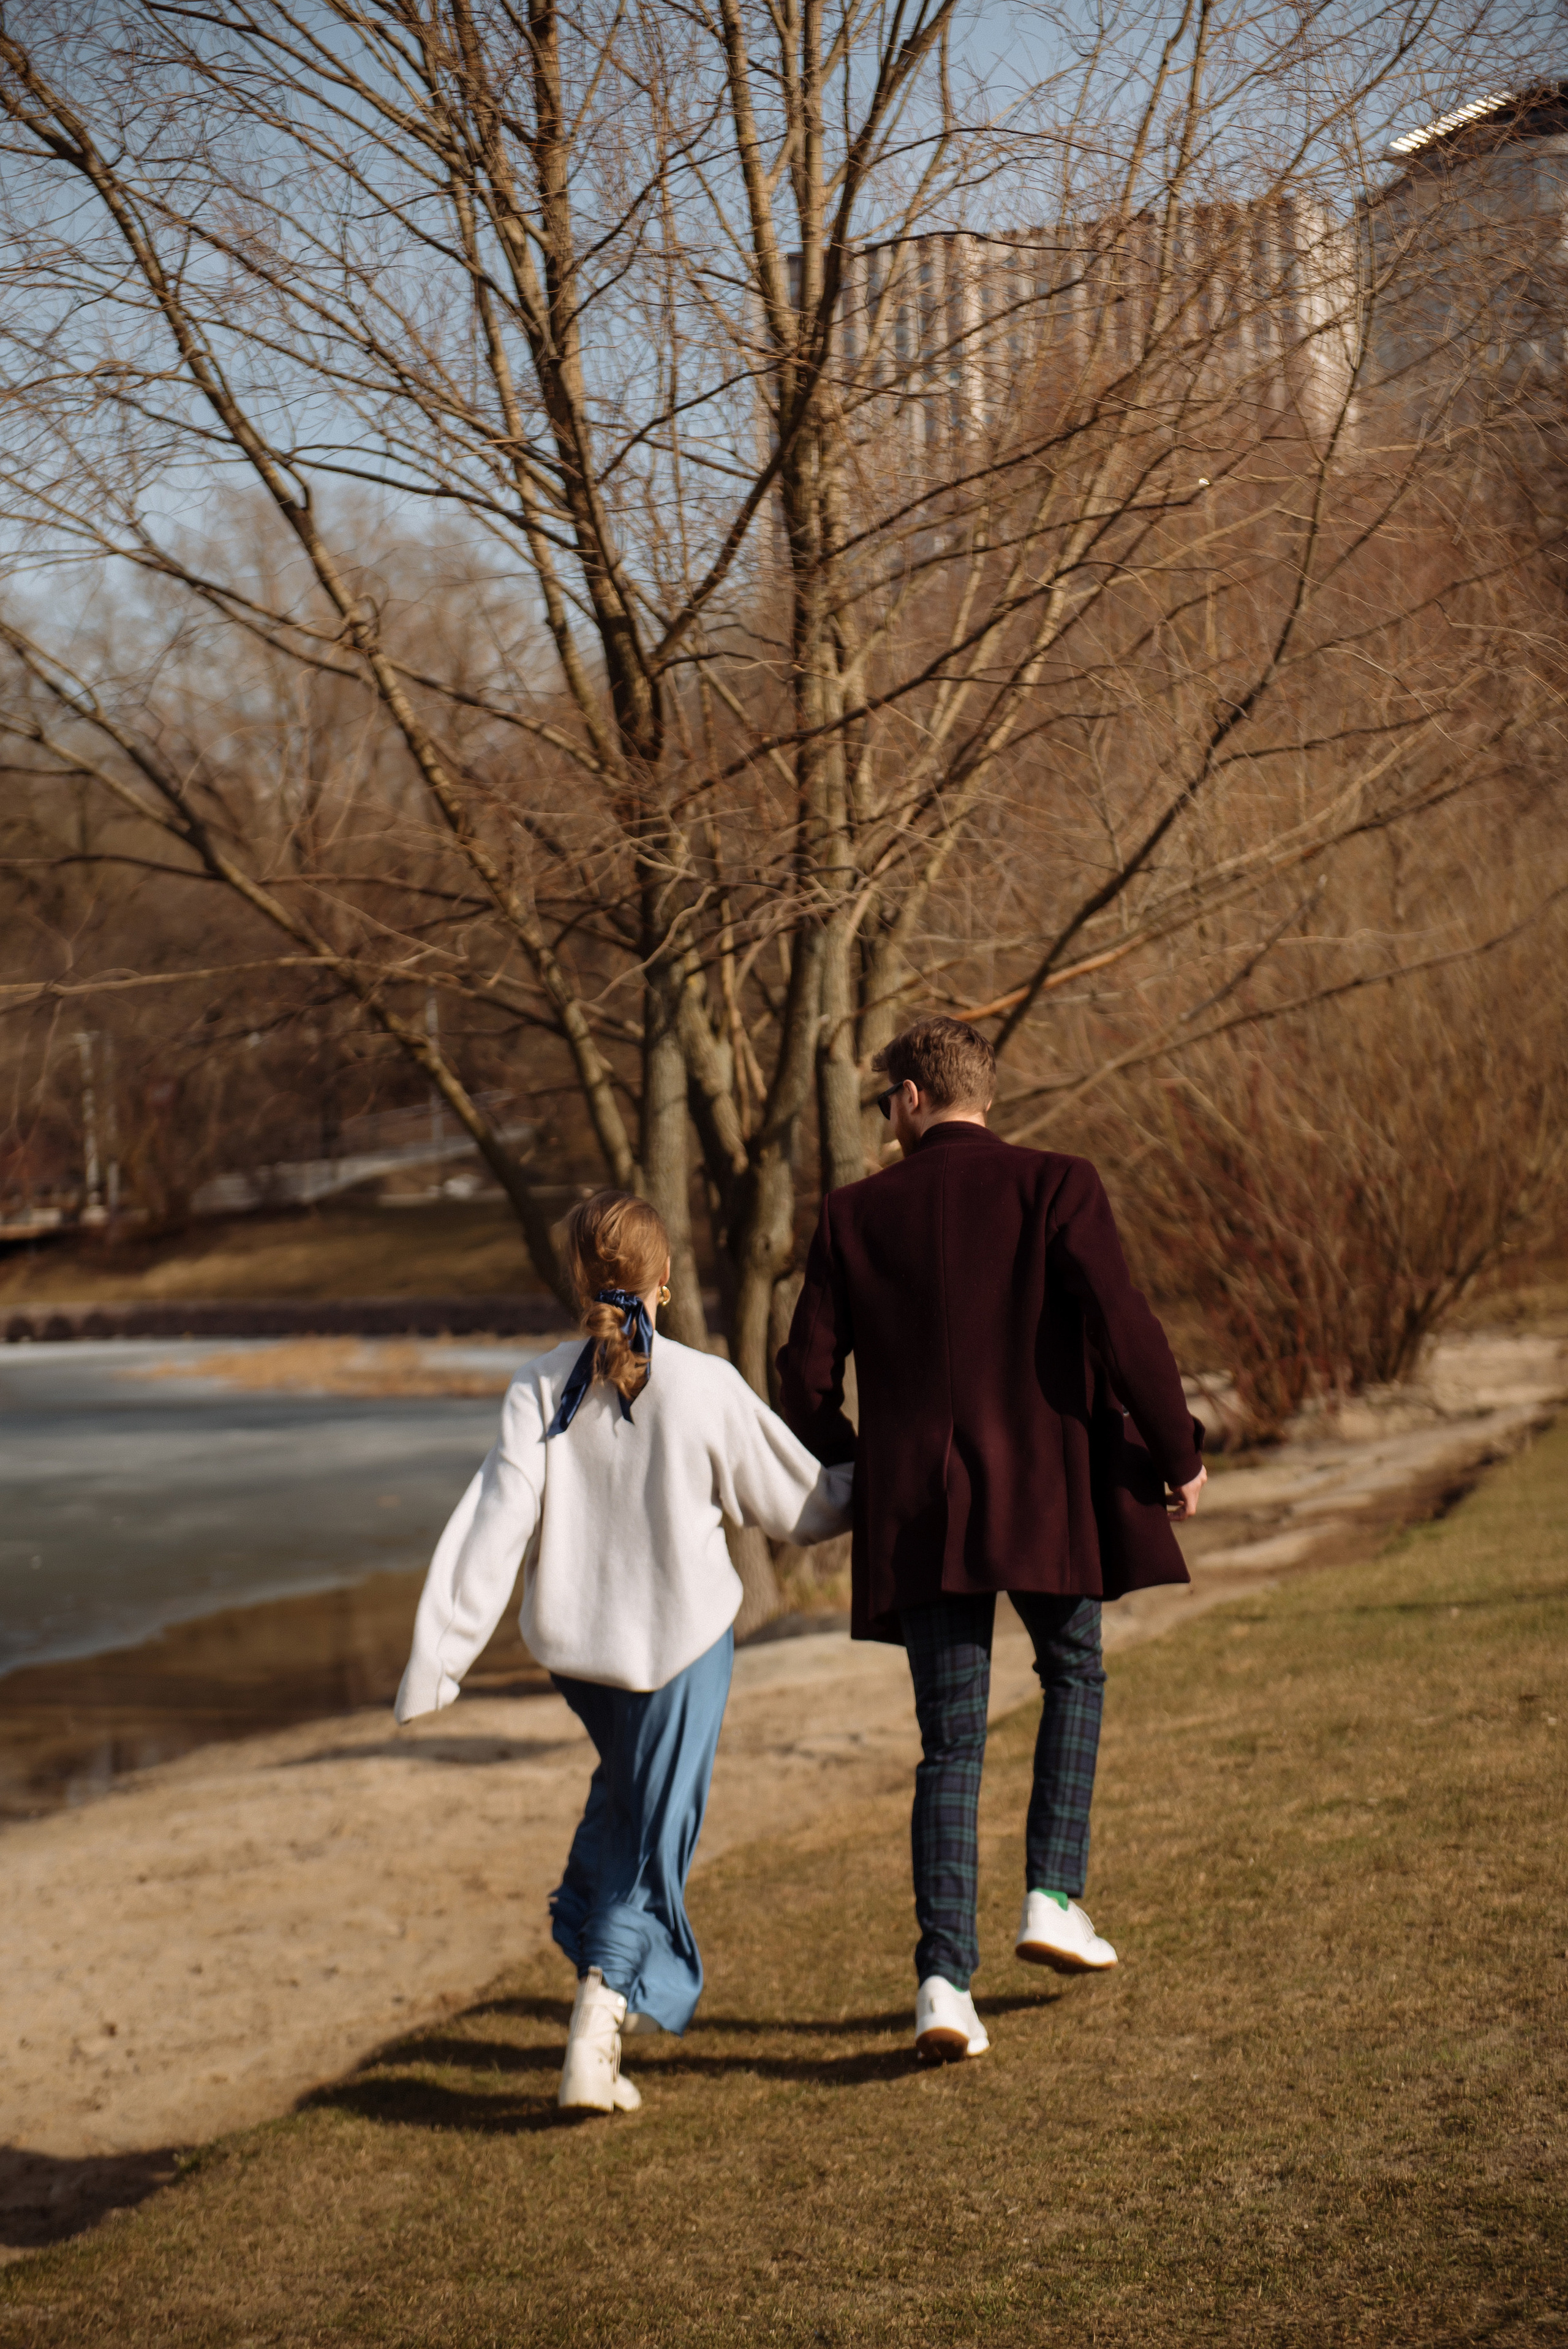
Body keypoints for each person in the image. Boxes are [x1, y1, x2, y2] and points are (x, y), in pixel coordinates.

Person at [777, 1016, 1205, 2063]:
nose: (888, 1116)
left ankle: (941, 1982)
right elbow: (1123, 1319)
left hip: (921, 1508)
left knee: (951, 1743)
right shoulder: (1058, 1183)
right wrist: (1177, 1448)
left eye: (888, 1100)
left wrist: (861, 1461)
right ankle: (1054, 1895)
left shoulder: (852, 1214)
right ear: (981, 1096)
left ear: (914, 1097)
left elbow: (803, 1383)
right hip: (1046, 1493)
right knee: (1074, 1675)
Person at [396, 1189, 851, 2115]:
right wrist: (879, 1474)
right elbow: (800, 1505)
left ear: (579, 1281)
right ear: (666, 1281)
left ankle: (590, 1937)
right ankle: (594, 2034)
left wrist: (439, 1657)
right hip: (683, 1646)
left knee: (629, 1794)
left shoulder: (540, 1385)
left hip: (582, 1658)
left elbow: (495, 1523)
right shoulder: (703, 1380)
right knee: (655, 1836)